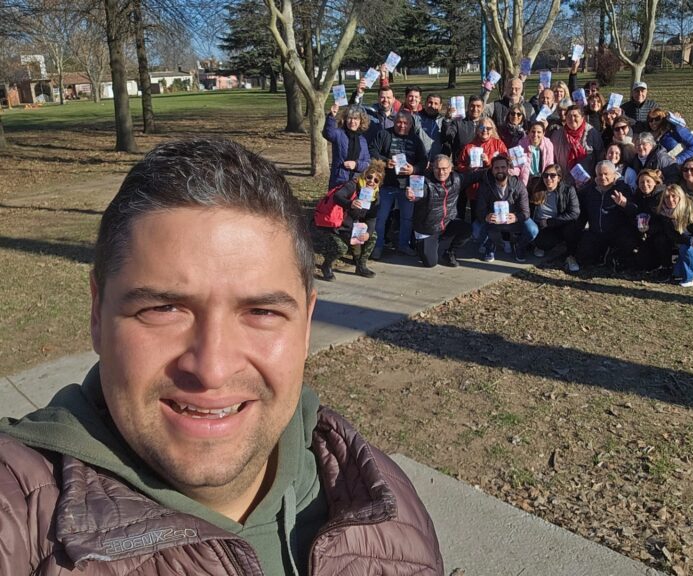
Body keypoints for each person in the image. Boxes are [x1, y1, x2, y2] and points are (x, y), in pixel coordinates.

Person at [0, 139, 443, 574]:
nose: (211, 369)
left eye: (261, 312)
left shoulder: (382, 500)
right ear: (98, 313)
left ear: (305, 325)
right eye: (163, 309)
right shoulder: (18, 511)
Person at [406, 154, 484, 267]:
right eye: (437, 168)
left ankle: (449, 252)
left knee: (467, 229)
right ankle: (419, 242)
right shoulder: (425, 182)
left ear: (451, 168)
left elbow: (476, 175)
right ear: (432, 168)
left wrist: (494, 169)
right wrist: (412, 196)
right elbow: (418, 194)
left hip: (447, 224)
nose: (441, 172)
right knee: (430, 263)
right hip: (428, 228)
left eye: (444, 169)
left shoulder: (457, 179)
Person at [368, 112, 428, 259]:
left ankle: (403, 245)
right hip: (386, 185)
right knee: (381, 217)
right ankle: (378, 246)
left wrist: (413, 169)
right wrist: (384, 161)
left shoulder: (415, 140)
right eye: (399, 122)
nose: (402, 125)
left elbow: (423, 161)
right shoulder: (384, 134)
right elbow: (372, 150)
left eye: (405, 123)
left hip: (407, 186)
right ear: (394, 122)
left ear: (410, 125)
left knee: (407, 218)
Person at [318, 160, 385, 280]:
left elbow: (371, 218)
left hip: (354, 227)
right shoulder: (353, 185)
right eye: (369, 177)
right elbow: (338, 196)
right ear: (365, 175)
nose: (371, 181)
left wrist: (367, 234)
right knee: (341, 248)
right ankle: (326, 265)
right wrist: (350, 203)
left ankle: (361, 266)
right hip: (338, 225)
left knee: (372, 235)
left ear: (379, 184)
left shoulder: (375, 196)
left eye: (376, 180)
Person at [574, 160, 636, 269]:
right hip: (595, 232)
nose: (603, 177)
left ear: (613, 175)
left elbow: (634, 212)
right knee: (584, 258)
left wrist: (624, 204)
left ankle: (612, 255)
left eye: (606, 174)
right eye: (600, 174)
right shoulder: (589, 190)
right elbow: (582, 213)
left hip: (616, 234)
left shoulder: (622, 189)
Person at [476, 154, 537, 262]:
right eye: (497, 168)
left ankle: (519, 246)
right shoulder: (485, 186)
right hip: (494, 221)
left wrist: (516, 217)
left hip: (513, 220)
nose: (500, 170)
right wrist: (486, 217)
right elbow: (480, 211)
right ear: (492, 169)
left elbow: (526, 212)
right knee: (476, 229)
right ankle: (490, 246)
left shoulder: (518, 185)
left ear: (508, 169)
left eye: (503, 167)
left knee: (532, 230)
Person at [456, 118, 511, 224]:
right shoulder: (469, 146)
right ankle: (476, 238)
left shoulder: (498, 144)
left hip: (494, 188)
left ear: (492, 129)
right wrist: (468, 168)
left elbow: (505, 165)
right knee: (477, 218)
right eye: (482, 127)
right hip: (475, 189)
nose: (485, 130)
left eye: (488, 128)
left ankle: (497, 238)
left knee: (495, 217)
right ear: (477, 130)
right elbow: (459, 165)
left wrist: (488, 162)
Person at [611, 168, 668, 270]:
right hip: (646, 233)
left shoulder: (663, 196)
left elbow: (665, 222)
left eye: (648, 181)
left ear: (655, 182)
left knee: (661, 241)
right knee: (643, 262)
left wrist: (649, 229)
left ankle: (666, 266)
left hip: (661, 233)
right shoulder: (639, 195)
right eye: (641, 182)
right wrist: (625, 205)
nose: (645, 184)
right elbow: (635, 213)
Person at [529, 164, 581, 270]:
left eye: (553, 175)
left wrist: (550, 222)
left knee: (571, 226)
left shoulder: (568, 190)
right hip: (542, 226)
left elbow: (574, 212)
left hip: (559, 223)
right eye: (545, 175)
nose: (548, 179)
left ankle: (570, 256)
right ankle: (543, 244)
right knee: (544, 243)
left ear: (559, 177)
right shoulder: (536, 189)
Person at [551, 105, 604, 187]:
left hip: (589, 183)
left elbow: (600, 157)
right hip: (564, 183)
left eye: (575, 116)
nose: (572, 119)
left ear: (583, 118)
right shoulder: (557, 135)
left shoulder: (592, 133)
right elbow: (553, 159)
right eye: (569, 116)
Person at [322, 103, 371, 189]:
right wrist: (331, 116)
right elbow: (328, 133)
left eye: (356, 119)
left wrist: (356, 165)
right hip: (339, 181)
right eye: (349, 118)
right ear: (345, 119)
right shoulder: (339, 134)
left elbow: (367, 163)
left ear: (361, 121)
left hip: (357, 183)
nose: (352, 122)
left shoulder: (362, 140)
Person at [442, 94, 485, 160]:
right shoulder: (458, 122)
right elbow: (448, 135)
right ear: (468, 106)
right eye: (472, 106)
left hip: (482, 163)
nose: (475, 109)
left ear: (482, 108)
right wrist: (447, 119)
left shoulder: (486, 123)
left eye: (478, 106)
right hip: (461, 163)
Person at [519, 121, 555, 187]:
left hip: (542, 178)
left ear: (543, 133)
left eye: (539, 132)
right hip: (526, 178)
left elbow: (550, 164)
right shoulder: (522, 144)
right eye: (533, 132)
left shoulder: (548, 144)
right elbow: (518, 164)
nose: (535, 135)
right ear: (529, 132)